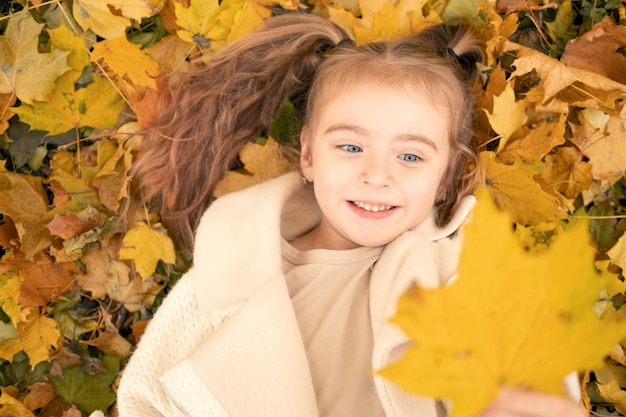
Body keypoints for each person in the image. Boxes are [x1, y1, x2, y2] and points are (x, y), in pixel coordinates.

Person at [116, 12, 586, 417]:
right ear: (308, 155)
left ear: (445, 177)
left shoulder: (452, 267)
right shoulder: (235, 264)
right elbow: (147, 393)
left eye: (410, 157)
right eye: (351, 147)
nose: (377, 175)